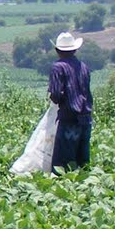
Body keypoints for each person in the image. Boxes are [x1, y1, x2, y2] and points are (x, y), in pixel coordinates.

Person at [48, 31, 93, 171]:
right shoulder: (83, 67)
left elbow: (55, 94)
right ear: (74, 50)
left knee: (64, 163)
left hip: (69, 118)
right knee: (83, 160)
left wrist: (56, 100)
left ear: (57, 50)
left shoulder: (58, 67)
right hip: (86, 118)